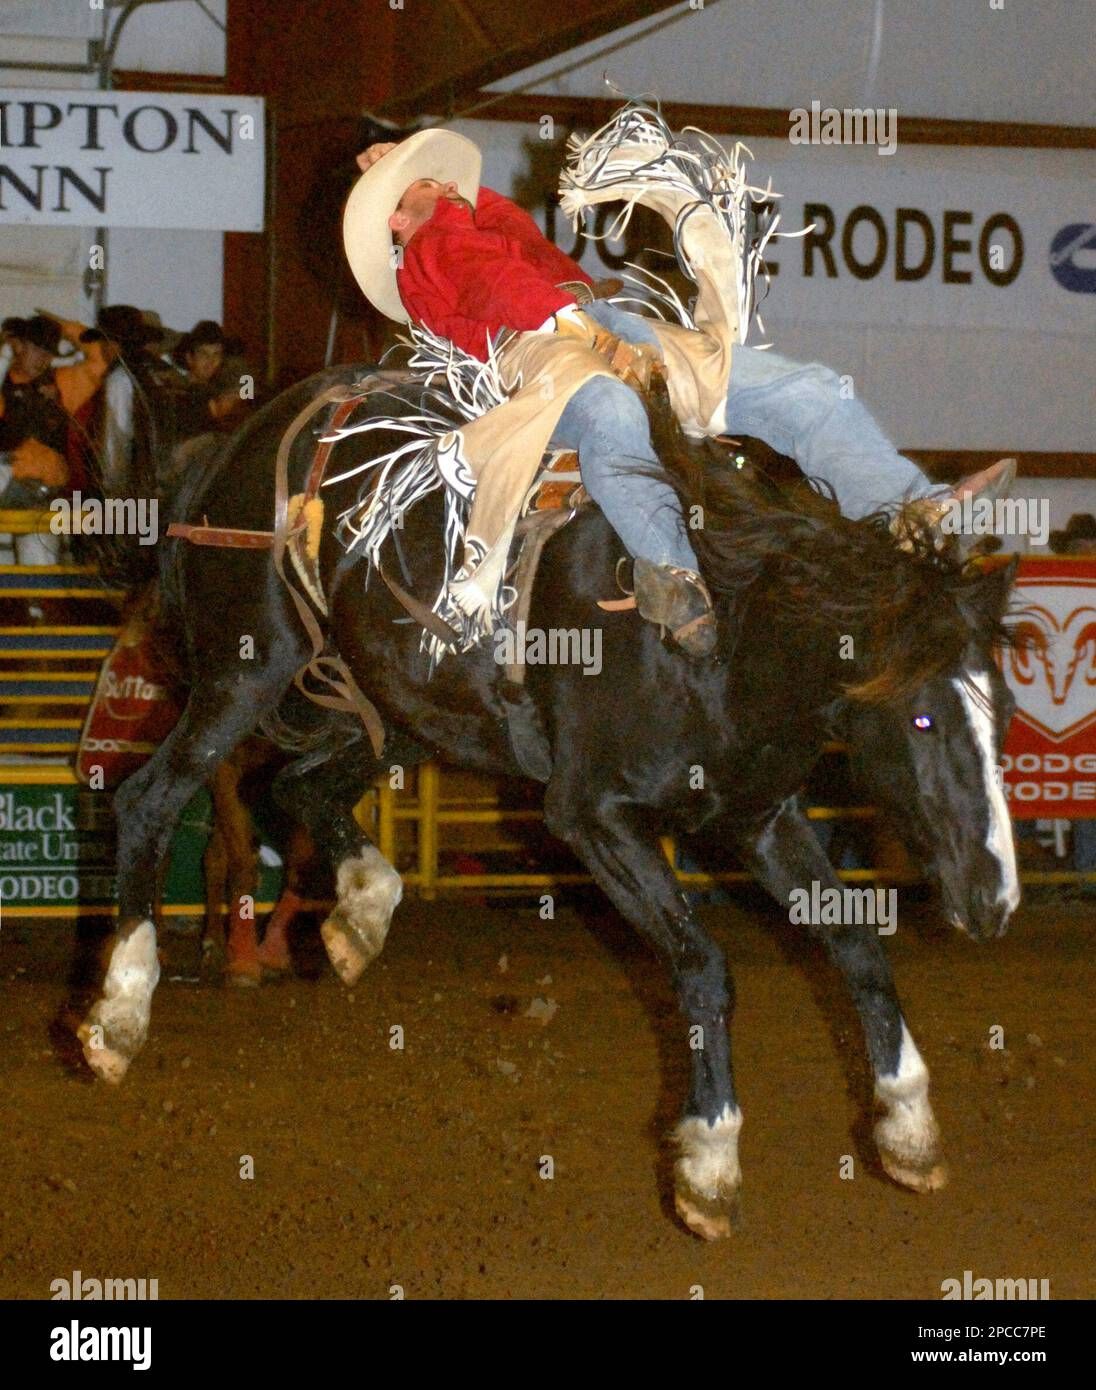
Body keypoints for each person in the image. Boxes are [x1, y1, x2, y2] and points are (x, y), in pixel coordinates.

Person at [344, 125, 1015, 657]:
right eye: (414, 196)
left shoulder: (457, 225)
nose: (438, 191)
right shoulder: (428, 256)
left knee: (804, 391)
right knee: (612, 411)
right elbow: (485, 273)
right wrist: (563, 317)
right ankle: (669, 571)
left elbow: (502, 230)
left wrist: (413, 179)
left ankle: (914, 510)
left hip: (595, 323)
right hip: (533, 355)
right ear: (397, 227)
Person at [0, 313, 110, 563]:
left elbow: (100, 361)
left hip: (42, 493)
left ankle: (35, 603)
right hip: (7, 479)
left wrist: (63, 326)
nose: (43, 358)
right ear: (19, 346)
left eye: (49, 352)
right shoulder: (2, 379)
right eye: (36, 349)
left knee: (39, 571)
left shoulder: (62, 383)